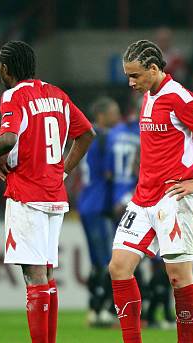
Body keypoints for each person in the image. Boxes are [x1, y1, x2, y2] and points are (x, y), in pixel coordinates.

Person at [92, 40, 193, 343]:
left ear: (154, 69)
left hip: (174, 199)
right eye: (128, 76)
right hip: (143, 198)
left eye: (135, 75)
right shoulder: (149, 96)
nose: (130, 82)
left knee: (178, 276)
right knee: (119, 266)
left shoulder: (179, 97)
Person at [0, 41, 95, 343]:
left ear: (6, 69)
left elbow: (7, 138)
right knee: (46, 273)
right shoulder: (57, 95)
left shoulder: (14, 96)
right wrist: (62, 169)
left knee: (33, 275)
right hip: (54, 194)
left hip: (26, 193)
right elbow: (86, 133)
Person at [79, 97, 117, 327]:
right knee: (106, 260)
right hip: (99, 205)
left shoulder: (88, 135)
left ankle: (93, 308)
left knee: (96, 261)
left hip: (87, 204)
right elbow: (109, 173)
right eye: (114, 112)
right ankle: (103, 309)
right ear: (102, 115)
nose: (117, 116)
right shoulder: (103, 138)